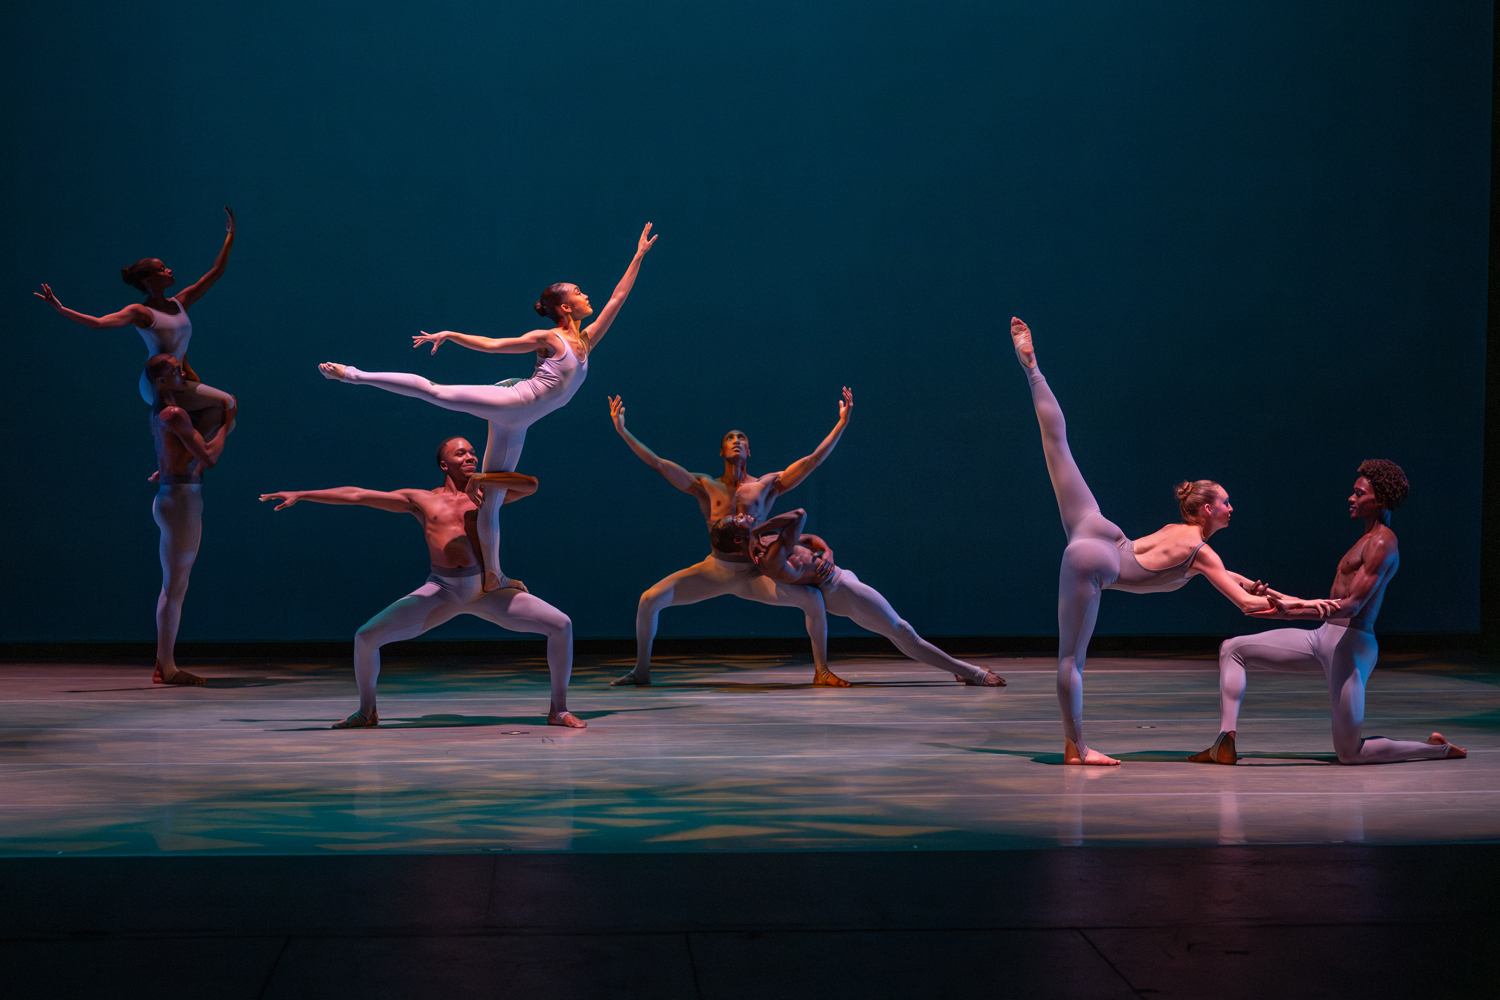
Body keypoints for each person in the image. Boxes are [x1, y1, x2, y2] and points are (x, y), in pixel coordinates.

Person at [1009, 317, 1328, 766]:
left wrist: (1267, 591)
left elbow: (1236, 583)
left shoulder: (1192, 545)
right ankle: (1076, 749)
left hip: (1098, 529)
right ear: (1205, 511)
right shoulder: (1201, 550)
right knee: (1071, 662)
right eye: (1225, 502)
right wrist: (1317, 607)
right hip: (1097, 557)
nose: (1232, 508)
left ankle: (1031, 368)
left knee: (1057, 445)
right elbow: (1247, 606)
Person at [319, 223, 657, 593]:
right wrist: (451, 335)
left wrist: (638, 255)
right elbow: (495, 345)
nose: (586, 294)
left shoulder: (586, 341)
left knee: (491, 498)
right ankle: (352, 374)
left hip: (521, 422)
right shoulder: (549, 338)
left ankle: (494, 575)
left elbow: (616, 299)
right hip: (514, 400)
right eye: (578, 292)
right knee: (437, 392)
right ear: (564, 306)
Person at [259, 437, 583, 729]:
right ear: (445, 464)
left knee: (561, 624)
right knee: (365, 637)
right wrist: (302, 494)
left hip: (487, 590)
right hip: (441, 590)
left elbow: (530, 485)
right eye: (461, 454)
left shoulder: (488, 495)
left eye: (473, 452)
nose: (470, 457)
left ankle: (559, 709)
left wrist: (484, 478)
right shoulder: (423, 500)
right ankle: (367, 711)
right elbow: (358, 495)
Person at [1189, 461, 1466, 765]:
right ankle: (1224, 741)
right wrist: (1274, 601)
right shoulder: (1363, 540)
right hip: (1324, 638)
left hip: (1351, 646)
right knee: (1232, 649)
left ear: (1381, 500)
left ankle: (1438, 748)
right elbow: (1324, 607)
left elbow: (1353, 605)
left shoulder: (1383, 542)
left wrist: (1295, 608)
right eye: (1353, 492)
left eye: (1359, 494)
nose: (1351, 498)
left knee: (1350, 753)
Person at [608, 390, 853, 687]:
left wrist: (841, 423)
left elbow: (813, 461)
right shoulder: (705, 485)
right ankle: (641, 671)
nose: (736, 441)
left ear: (750, 451)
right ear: (721, 452)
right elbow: (659, 464)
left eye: (742, 439)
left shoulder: (767, 485)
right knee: (648, 599)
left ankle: (822, 670)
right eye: (730, 439)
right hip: (716, 569)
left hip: (755, 571)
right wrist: (623, 431)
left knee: (813, 599)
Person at [720, 507, 1006, 686]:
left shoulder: (770, 543)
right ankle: (972, 673)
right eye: (738, 519)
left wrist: (827, 551)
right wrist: (759, 529)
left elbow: (808, 540)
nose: (743, 513)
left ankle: (957, 671)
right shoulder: (768, 558)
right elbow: (799, 515)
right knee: (903, 630)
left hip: (842, 580)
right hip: (840, 589)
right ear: (738, 539)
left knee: (897, 634)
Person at [36, 208, 238, 440]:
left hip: (177, 377)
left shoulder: (181, 302)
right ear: (148, 280)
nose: (168, 270)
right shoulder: (141, 312)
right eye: (161, 269)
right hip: (157, 382)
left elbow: (216, 271)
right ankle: (184, 458)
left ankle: (181, 457)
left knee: (225, 419)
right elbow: (99, 323)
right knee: (227, 403)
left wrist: (230, 235)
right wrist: (60, 309)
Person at [144, 353, 236, 685]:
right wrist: (226, 425)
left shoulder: (160, 411)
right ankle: (165, 667)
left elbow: (176, 453)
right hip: (180, 503)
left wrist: (184, 361)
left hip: (173, 496)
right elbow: (208, 457)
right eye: (175, 371)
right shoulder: (175, 413)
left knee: (175, 586)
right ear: (161, 382)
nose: (183, 374)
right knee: (174, 588)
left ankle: (164, 663)